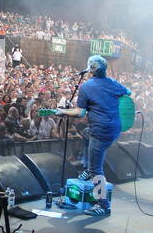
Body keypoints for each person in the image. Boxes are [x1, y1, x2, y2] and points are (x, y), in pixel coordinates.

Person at [54, 54, 130, 216]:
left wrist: (62, 111)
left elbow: (80, 113)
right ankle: (88, 168)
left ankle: (103, 205)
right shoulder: (113, 83)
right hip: (114, 128)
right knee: (86, 133)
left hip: (101, 131)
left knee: (97, 169)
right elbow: (128, 93)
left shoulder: (87, 86)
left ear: (91, 69)